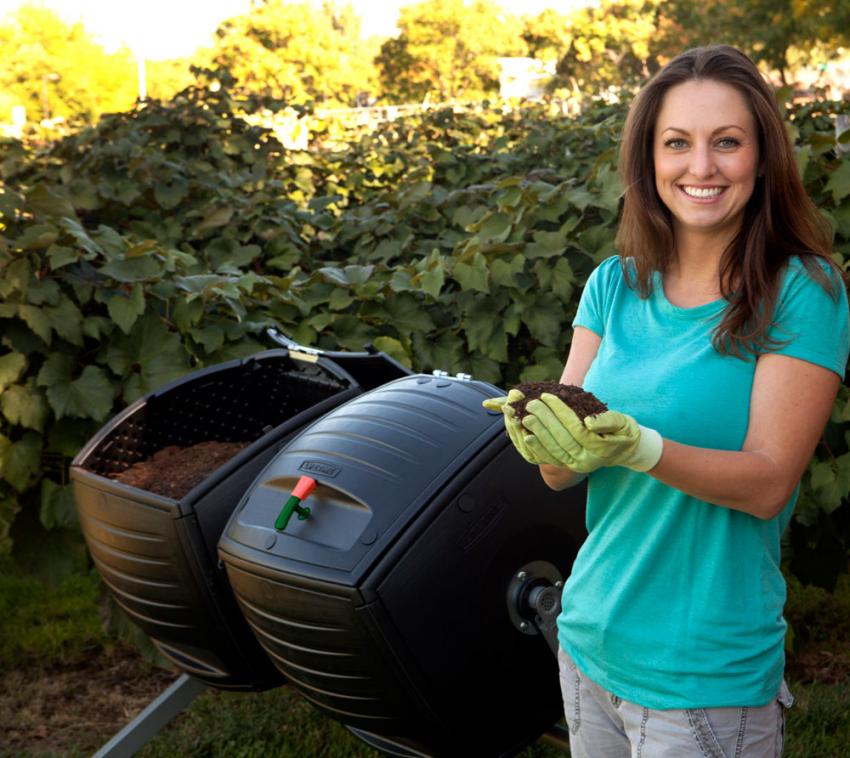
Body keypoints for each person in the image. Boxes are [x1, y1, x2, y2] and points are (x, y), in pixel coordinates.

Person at [484, 45, 850, 757]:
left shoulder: (803, 290)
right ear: (649, 160)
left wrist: (640, 447)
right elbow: (564, 473)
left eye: (728, 143)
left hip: (703, 670)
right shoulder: (614, 285)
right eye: (677, 143)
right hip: (589, 640)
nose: (701, 167)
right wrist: (547, 440)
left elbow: (770, 482)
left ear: (764, 156)